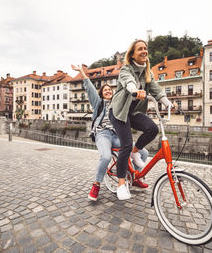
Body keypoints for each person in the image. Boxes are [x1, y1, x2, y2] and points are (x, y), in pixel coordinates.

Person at [71, 64, 149, 202]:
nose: (108, 91)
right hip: (103, 134)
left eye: (109, 90)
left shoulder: (118, 104)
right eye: (105, 90)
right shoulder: (98, 103)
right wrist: (82, 72)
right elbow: (89, 88)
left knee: (143, 153)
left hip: (117, 135)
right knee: (106, 157)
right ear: (102, 94)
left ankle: (134, 178)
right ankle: (96, 184)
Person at [109, 39, 174, 200]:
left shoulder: (147, 72)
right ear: (132, 54)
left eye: (145, 48)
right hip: (119, 112)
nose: (144, 51)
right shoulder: (126, 69)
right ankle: (121, 184)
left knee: (152, 129)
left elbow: (155, 88)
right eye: (140, 49)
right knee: (125, 143)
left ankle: (135, 152)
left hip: (134, 112)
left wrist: (166, 101)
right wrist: (134, 90)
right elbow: (128, 81)